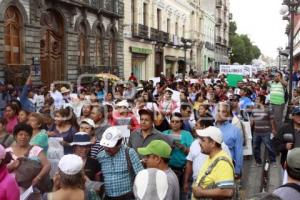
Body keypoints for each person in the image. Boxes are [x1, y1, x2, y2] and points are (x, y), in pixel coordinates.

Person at [97, 127, 143, 199]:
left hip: (127, 196)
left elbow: (140, 175)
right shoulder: (100, 156)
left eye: (110, 146)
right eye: (105, 146)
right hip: (107, 197)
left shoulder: (129, 153)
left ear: (119, 143)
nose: (107, 149)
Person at [192, 126, 235, 200]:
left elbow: (228, 191)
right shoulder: (212, 157)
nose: (199, 142)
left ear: (212, 143)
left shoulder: (222, 162)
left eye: (203, 140)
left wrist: (201, 193)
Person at [6, 123, 51, 188]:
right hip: (11, 186)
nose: (23, 137)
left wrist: (38, 178)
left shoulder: (35, 149)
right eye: (20, 134)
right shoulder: (8, 151)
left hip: (32, 187)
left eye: (27, 135)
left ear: (30, 137)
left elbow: (47, 165)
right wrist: (12, 166)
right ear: (15, 136)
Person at [215, 102, 243, 178]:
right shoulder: (210, 128)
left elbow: (239, 151)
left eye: (223, 111)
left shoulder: (235, 130)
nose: (220, 114)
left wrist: (237, 170)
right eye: (218, 111)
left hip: (227, 166)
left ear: (228, 115)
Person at [251, 95, 276, 167]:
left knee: (269, 147)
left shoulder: (268, 109)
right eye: (255, 99)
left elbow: (272, 120)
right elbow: (252, 121)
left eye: (257, 99)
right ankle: (258, 162)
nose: (256, 101)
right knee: (255, 148)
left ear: (261, 101)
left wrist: (273, 129)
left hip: (266, 132)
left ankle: (273, 161)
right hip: (256, 132)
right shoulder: (254, 109)